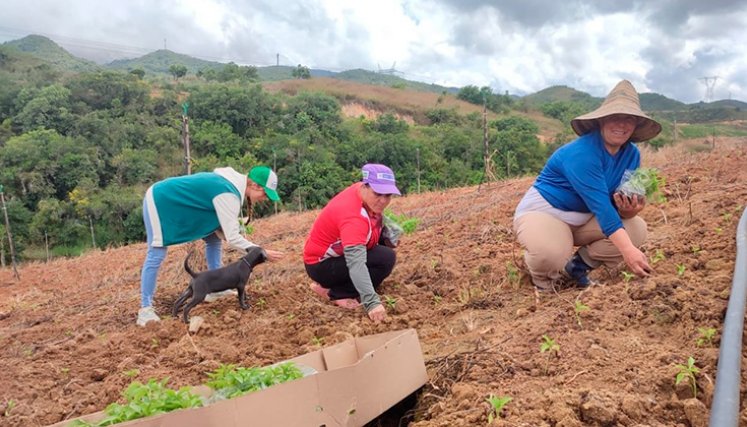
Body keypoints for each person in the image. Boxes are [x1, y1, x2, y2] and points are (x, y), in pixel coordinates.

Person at [513, 80, 661, 291]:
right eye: (614, 117)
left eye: (629, 119)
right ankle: (544, 283)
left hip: (585, 217)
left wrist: (630, 210)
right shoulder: (582, 153)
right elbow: (601, 206)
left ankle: (577, 267)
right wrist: (628, 251)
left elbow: (619, 199)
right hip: (547, 212)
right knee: (550, 255)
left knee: (636, 228)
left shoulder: (632, 155)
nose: (621, 124)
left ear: (636, 125)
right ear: (601, 121)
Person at [137, 165, 285, 326]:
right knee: (156, 252)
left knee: (213, 238)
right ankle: (145, 309)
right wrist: (260, 251)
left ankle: (216, 289)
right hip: (162, 199)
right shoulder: (228, 193)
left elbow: (225, 228)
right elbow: (232, 237)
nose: (265, 199)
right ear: (255, 185)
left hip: (182, 202)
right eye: (265, 194)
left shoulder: (233, 187)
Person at [303, 163, 401, 323]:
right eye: (378, 194)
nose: (383, 201)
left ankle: (333, 288)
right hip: (321, 265)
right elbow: (356, 263)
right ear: (366, 186)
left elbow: (369, 226)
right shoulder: (353, 216)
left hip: (333, 258)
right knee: (385, 261)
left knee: (384, 253)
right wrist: (372, 302)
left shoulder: (360, 192)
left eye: (388, 195)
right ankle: (337, 293)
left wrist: (383, 234)